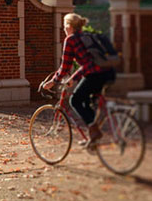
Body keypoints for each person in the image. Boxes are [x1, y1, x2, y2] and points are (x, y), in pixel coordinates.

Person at [41, 13, 116, 148]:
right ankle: (93, 137)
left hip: (95, 74)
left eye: (64, 26)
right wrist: (72, 78)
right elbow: (89, 63)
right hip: (108, 72)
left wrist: (53, 81)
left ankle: (94, 133)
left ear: (69, 27)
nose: (64, 29)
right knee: (86, 102)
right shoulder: (87, 36)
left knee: (74, 100)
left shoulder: (70, 40)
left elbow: (65, 66)